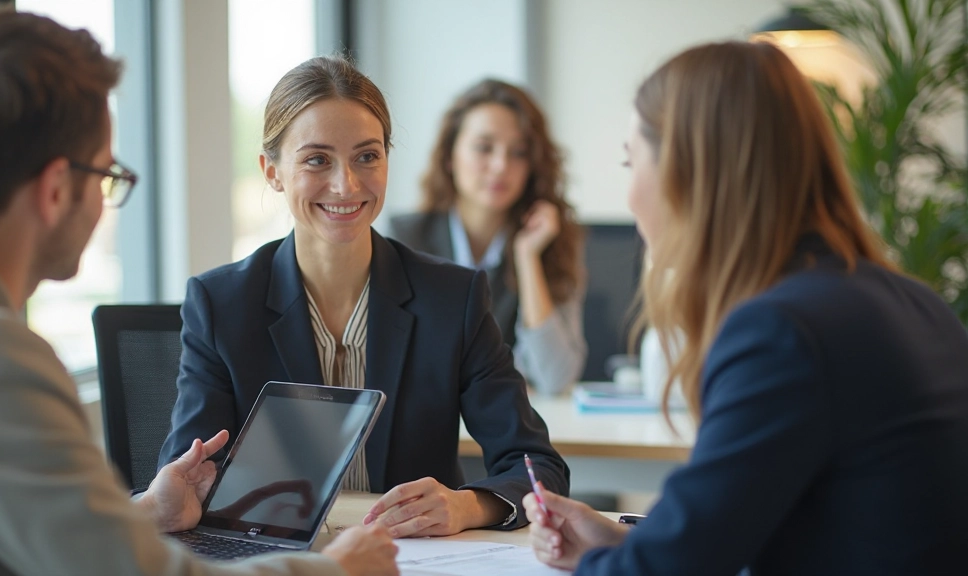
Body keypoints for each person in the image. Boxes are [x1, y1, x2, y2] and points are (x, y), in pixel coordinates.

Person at [0, 7, 397, 576]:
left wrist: (148, 511)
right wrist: (339, 572)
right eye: (108, 177)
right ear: (57, 189)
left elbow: (58, 549)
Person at [522, 41, 968, 575]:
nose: (630, 195)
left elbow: (674, 569)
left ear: (688, 173)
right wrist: (618, 543)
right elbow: (728, 536)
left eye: (630, 161)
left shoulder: (783, 332)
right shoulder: (909, 300)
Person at [158, 57, 570, 539]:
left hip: (410, 558)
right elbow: (184, 476)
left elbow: (537, 464)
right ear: (272, 171)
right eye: (317, 159)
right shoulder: (221, 303)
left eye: (367, 156)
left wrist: (465, 507)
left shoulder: (452, 298)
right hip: (281, 561)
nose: (346, 184)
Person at [390, 79, 586, 396]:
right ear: (450, 156)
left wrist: (528, 260)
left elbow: (555, 378)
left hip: (511, 430)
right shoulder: (404, 240)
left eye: (519, 153)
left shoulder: (552, 245)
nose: (500, 166)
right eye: (484, 147)